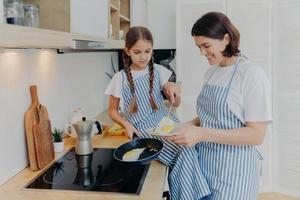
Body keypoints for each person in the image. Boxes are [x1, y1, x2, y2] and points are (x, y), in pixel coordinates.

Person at [166, 12, 272, 200]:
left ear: (225, 39)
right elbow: (212, 115)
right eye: (198, 47)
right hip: (205, 166)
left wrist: (202, 133)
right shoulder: (211, 73)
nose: (202, 53)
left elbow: (257, 134)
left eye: (206, 46)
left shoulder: (252, 75)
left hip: (235, 173)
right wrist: (190, 124)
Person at [105, 26, 210, 200]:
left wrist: (173, 90)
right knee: (183, 152)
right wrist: (126, 124)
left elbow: (176, 103)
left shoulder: (160, 71)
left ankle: (187, 196)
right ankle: (195, 197)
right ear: (127, 51)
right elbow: (112, 110)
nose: (143, 56)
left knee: (190, 147)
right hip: (144, 130)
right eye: (137, 52)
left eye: (147, 51)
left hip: (167, 123)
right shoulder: (120, 78)